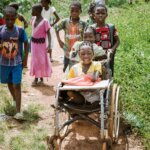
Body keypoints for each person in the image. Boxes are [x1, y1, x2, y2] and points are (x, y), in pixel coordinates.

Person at [0, 6, 28, 119]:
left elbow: (27, 43)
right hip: (3, 63)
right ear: (4, 18)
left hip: (17, 63)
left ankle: (18, 111)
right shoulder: (1, 30)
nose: (10, 21)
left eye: (12, 18)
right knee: (9, 82)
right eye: (7, 19)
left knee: (17, 84)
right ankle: (14, 99)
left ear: (16, 17)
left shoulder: (20, 30)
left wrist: (25, 59)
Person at [55, 1, 87, 72]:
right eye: (72, 11)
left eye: (76, 11)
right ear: (70, 11)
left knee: (79, 69)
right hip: (67, 51)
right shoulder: (65, 22)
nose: (74, 13)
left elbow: (87, 34)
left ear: (80, 11)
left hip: (79, 52)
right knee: (66, 69)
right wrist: (59, 41)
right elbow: (56, 28)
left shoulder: (83, 24)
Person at [92, 4, 120, 77]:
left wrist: (112, 50)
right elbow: (87, 43)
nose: (100, 15)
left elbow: (117, 41)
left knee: (108, 73)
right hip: (95, 57)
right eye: (98, 13)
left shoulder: (111, 27)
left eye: (103, 13)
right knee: (95, 74)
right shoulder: (91, 28)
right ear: (93, 15)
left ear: (106, 15)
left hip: (107, 56)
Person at [30, 3, 52, 86]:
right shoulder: (33, 19)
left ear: (38, 11)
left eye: (33, 10)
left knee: (41, 61)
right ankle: (36, 78)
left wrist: (49, 45)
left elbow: (49, 33)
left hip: (41, 45)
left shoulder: (45, 21)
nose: (31, 12)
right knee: (35, 60)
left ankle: (41, 78)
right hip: (33, 44)